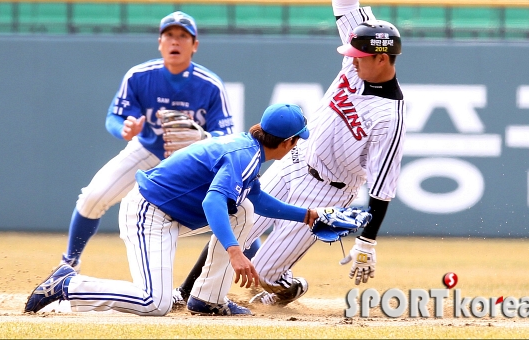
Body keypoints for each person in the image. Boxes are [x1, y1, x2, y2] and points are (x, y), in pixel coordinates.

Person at [173, 0, 406, 307]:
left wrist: (367, 241)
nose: (352, 58)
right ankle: (184, 292)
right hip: (294, 161)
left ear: (382, 57)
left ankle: (288, 286)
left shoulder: (389, 117)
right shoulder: (357, 58)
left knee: (261, 276)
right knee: (234, 222)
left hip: (330, 191)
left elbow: (382, 189)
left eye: (360, 55)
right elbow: (343, 2)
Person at [25, 103, 327, 316]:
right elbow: (212, 202)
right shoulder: (244, 156)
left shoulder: (248, 149)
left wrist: (306, 215)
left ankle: (208, 300)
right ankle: (68, 284)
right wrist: (235, 251)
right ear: (287, 142)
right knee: (153, 303)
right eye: (297, 139)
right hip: (148, 212)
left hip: (170, 214)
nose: (297, 145)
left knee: (245, 209)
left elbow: (259, 201)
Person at [58, 11, 235, 272]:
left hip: (193, 161)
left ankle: (264, 272)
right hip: (148, 149)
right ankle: (68, 264)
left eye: (183, 36)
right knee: (93, 197)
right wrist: (124, 129)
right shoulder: (140, 76)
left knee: (236, 210)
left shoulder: (210, 85)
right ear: (160, 42)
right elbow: (114, 117)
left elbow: (225, 137)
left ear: (194, 45)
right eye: (169, 35)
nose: (175, 41)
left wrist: (203, 139)